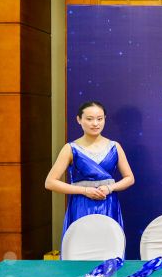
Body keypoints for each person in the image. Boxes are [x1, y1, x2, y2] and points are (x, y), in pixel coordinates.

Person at [45, 101, 134, 236]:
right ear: (79, 120)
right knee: (81, 241)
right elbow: (50, 182)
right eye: (89, 119)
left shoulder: (115, 147)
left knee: (108, 242)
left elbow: (130, 178)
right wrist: (85, 191)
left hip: (108, 204)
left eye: (100, 119)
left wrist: (110, 188)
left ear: (105, 119)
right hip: (81, 205)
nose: (95, 123)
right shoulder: (70, 148)